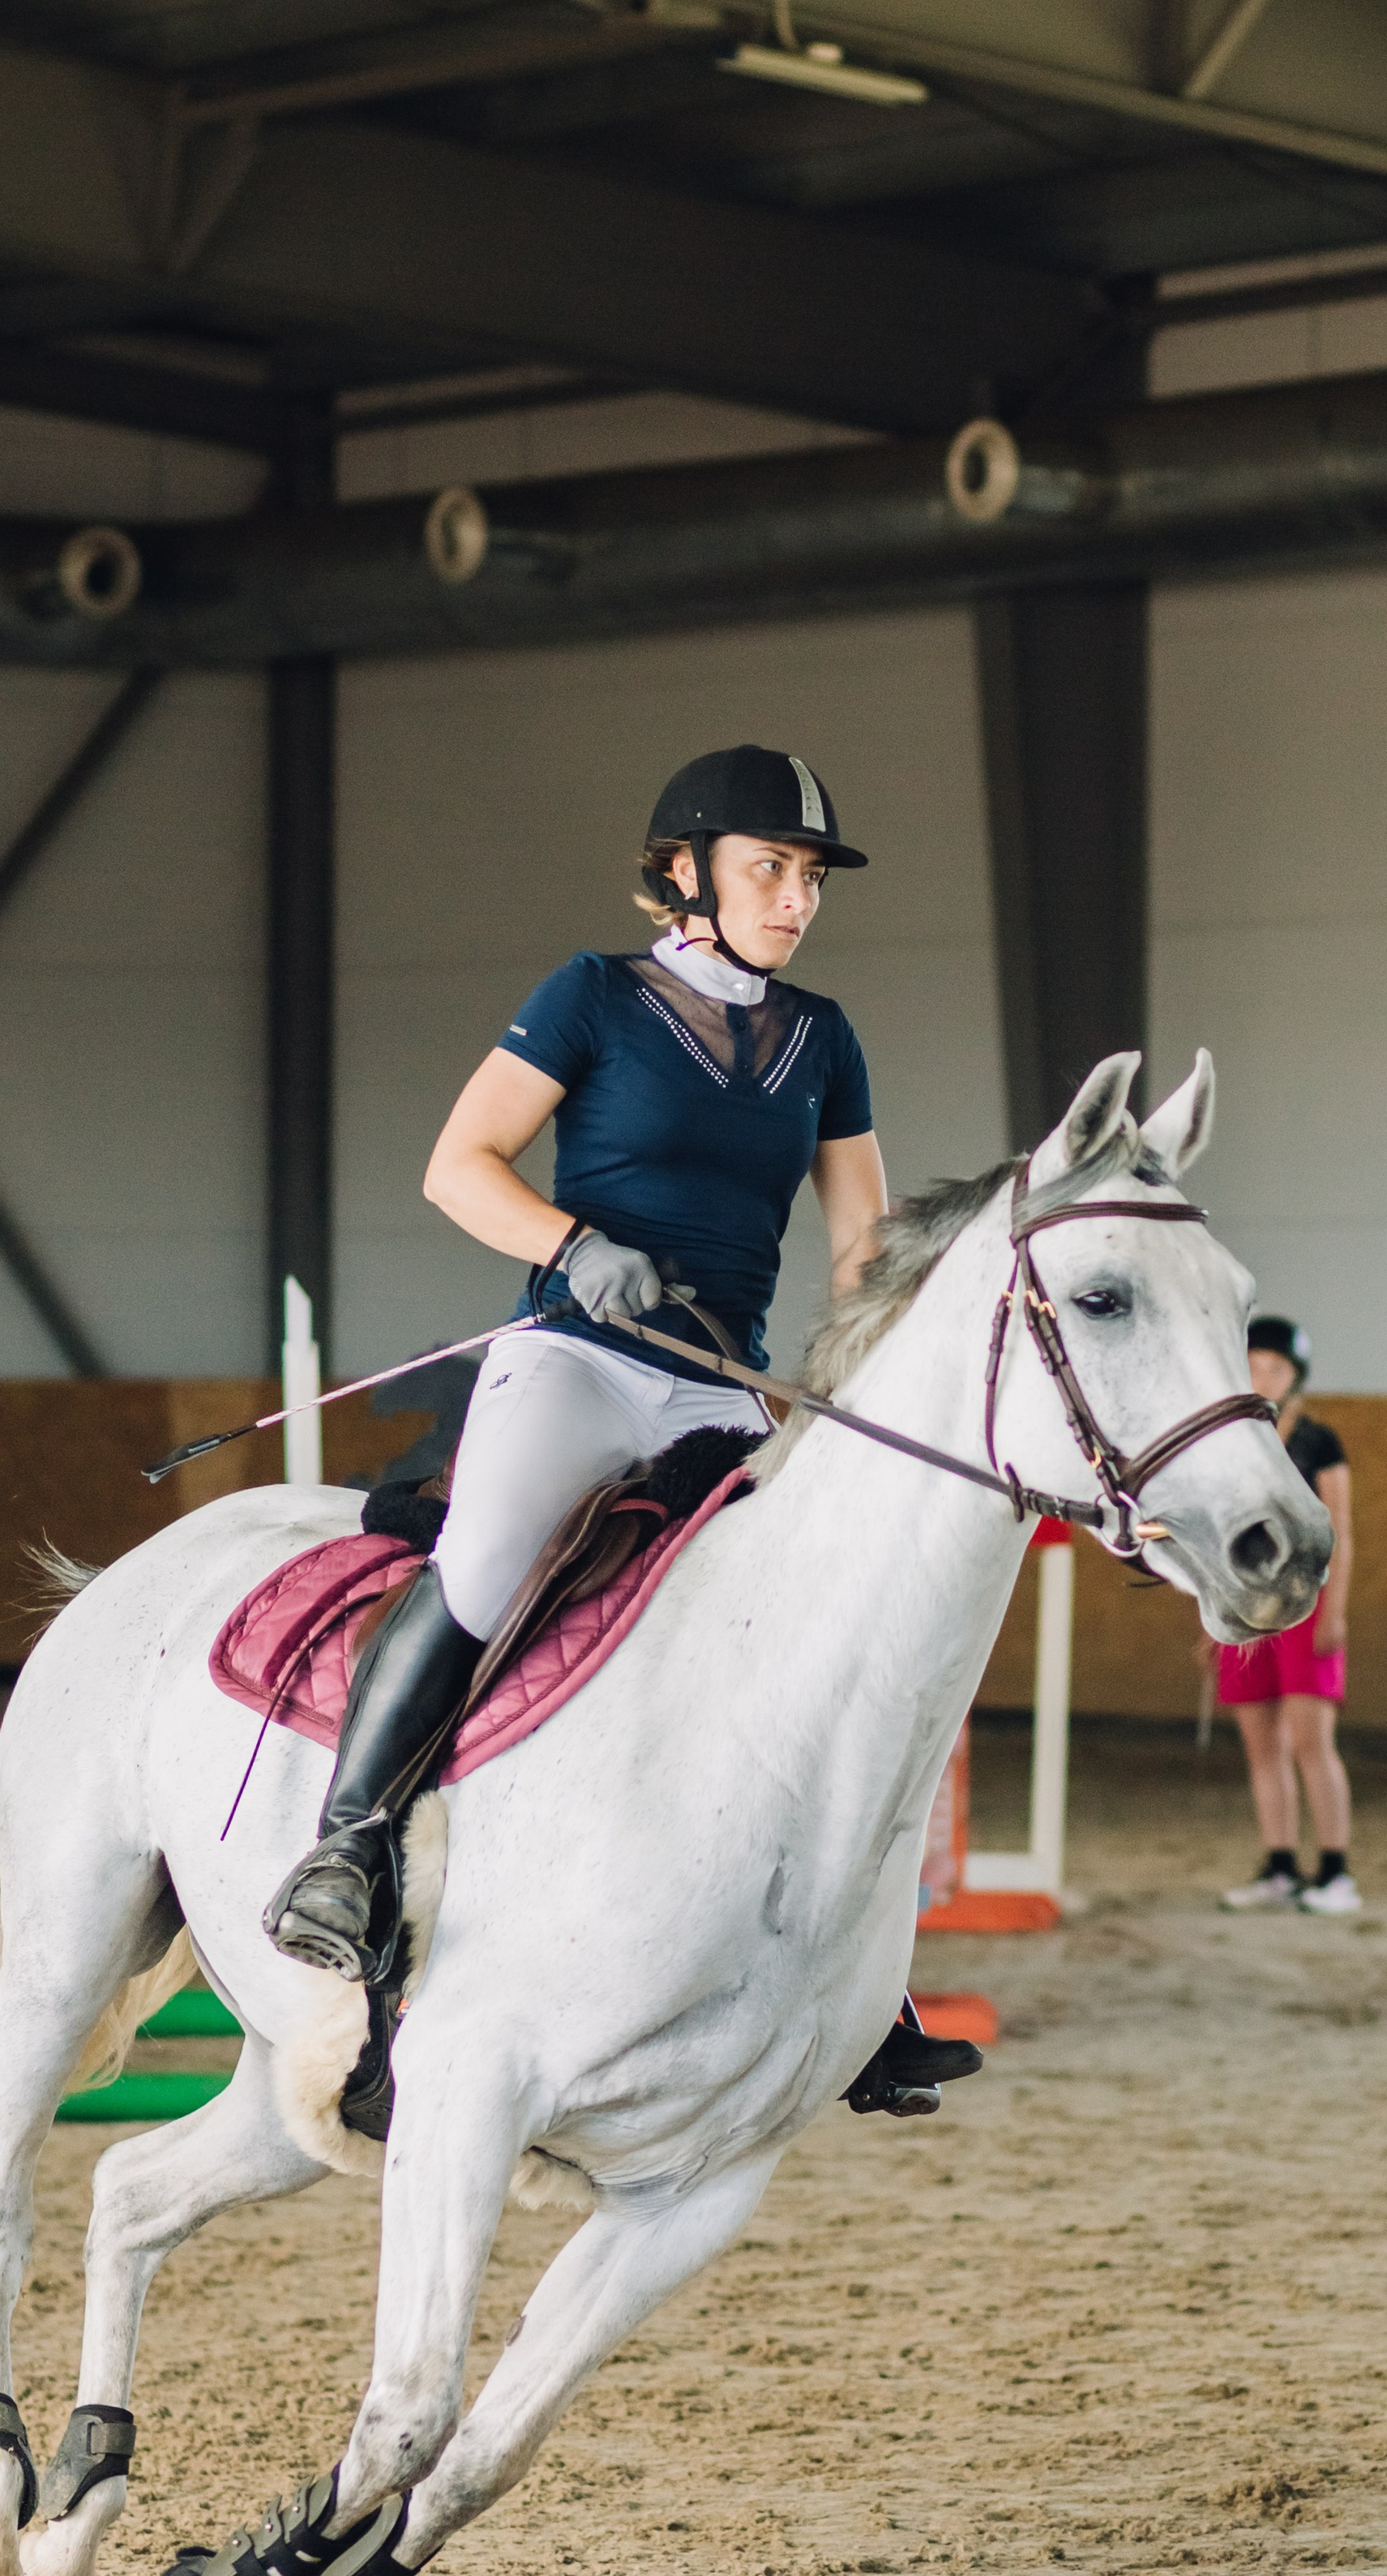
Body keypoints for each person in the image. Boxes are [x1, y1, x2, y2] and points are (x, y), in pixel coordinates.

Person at [261, 742, 982, 2112]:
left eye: (810, 876)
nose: (798, 897)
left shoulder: (824, 1040)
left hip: (722, 1389)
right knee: (487, 1562)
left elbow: (857, 1247)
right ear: (683, 875)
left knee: (819, 1627)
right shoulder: (590, 996)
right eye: (772, 868)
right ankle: (346, 1848)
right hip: (581, 1361)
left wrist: (874, 1379)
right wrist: (572, 1243)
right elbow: (456, 1167)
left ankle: (861, 1983)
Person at [1217, 1316, 1359, 1915]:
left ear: (1294, 1376)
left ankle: (1334, 1870)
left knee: (1310, 1742)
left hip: (1306, 1604)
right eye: (1253, 1365)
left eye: (1275, 1367)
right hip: (1246, 1605)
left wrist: (1336, 1612)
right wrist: (1214, 1614)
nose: (1263, 1376)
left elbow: (1342, 1532)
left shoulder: (1319, 1441)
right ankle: (1279, 1863)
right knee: (1260, 1745)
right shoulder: (1226, 1440)